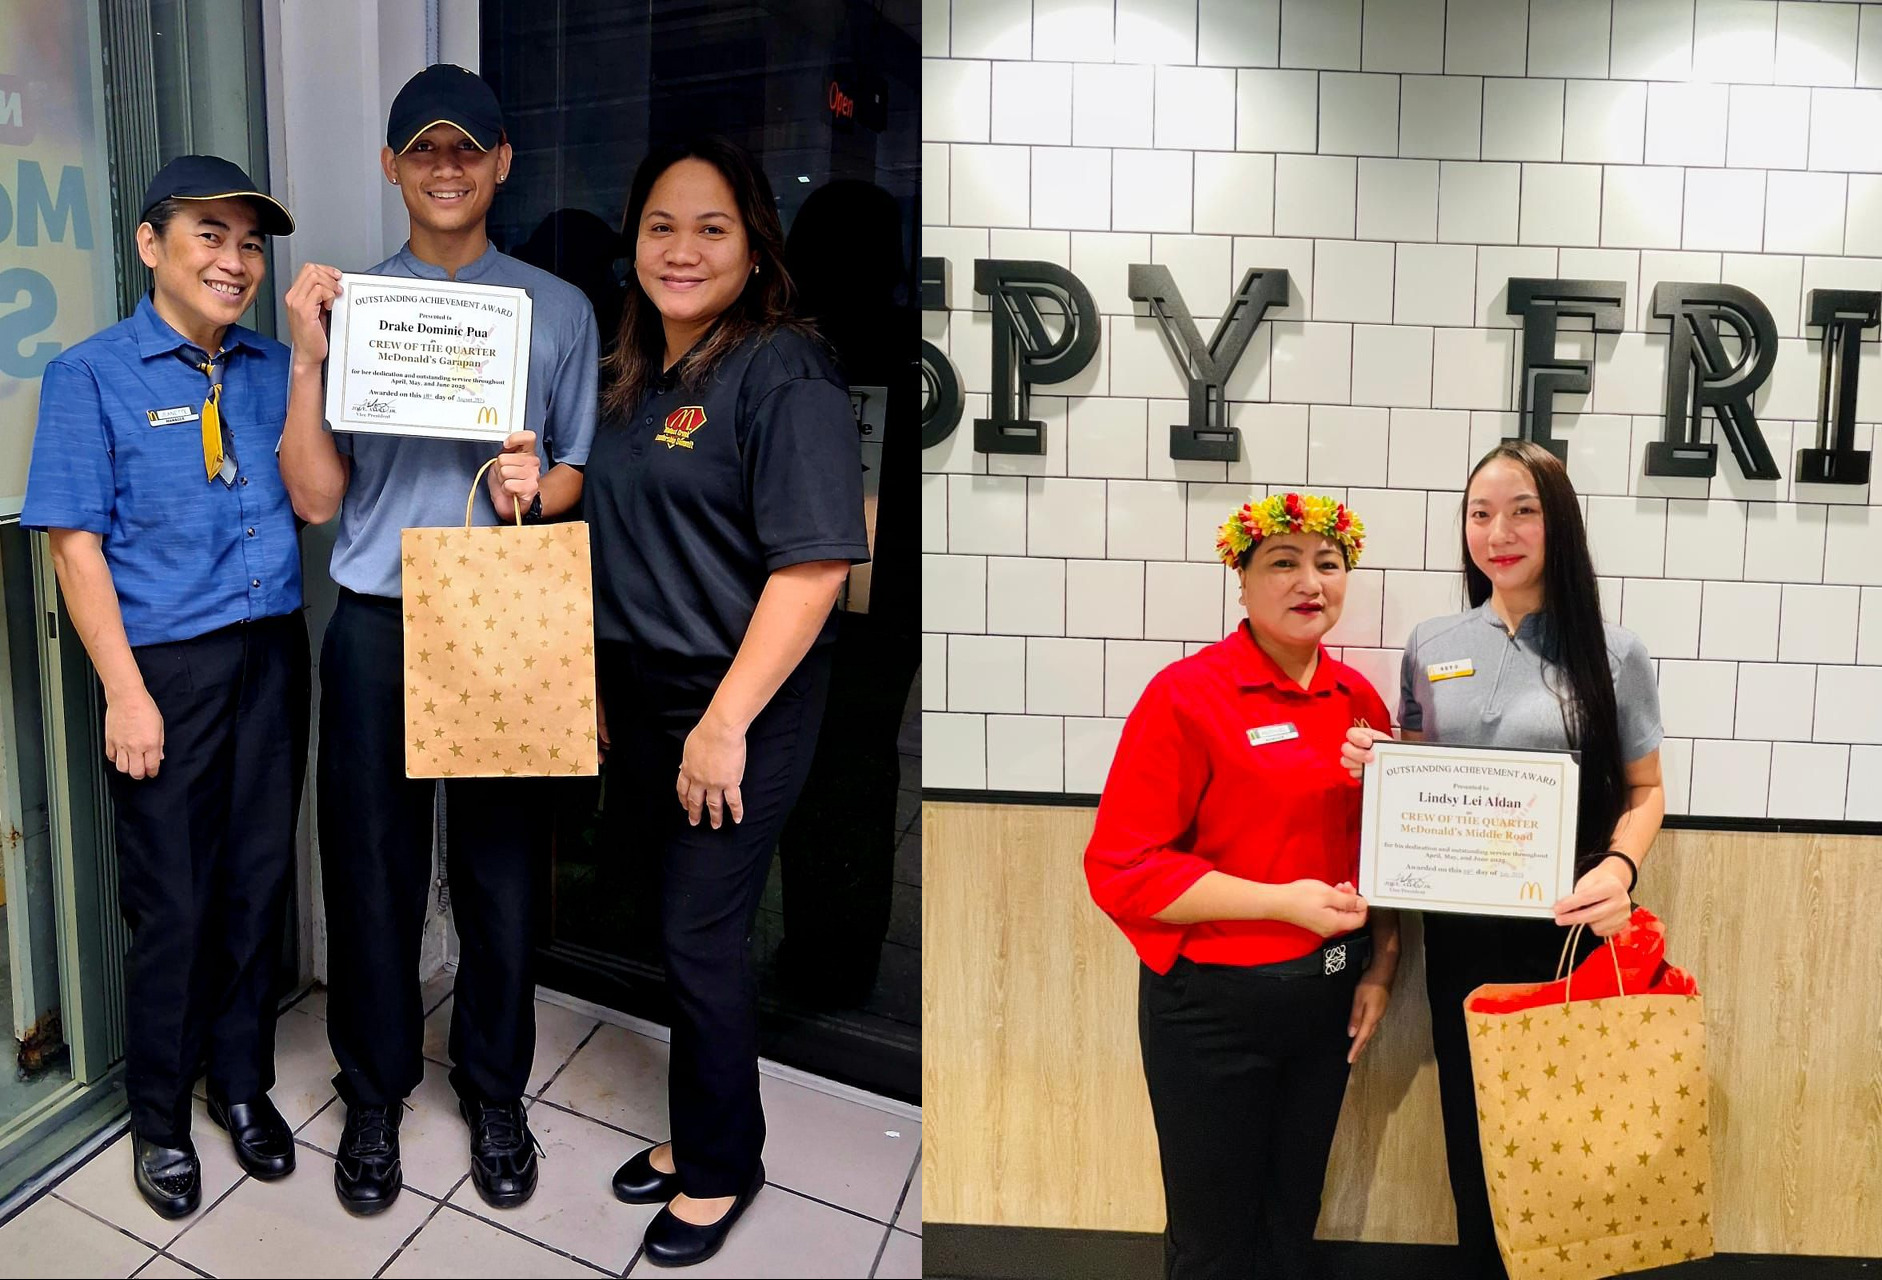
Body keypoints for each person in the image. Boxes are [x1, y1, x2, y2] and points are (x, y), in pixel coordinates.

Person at [276, 64, 599, 1215]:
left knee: (500, 873)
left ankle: (495, 1089)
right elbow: (315, 498)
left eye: (468, 148)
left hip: (499, 612)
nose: (446, 167)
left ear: (502, 162)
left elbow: (575, 468)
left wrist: (534, 484)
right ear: (392, 167)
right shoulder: (352, 307)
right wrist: (307, 356)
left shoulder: (558, 308)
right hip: (378, 617)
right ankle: (373, 1091)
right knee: (372, 874)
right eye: (424, 149)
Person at [583, 136, 868, 1266]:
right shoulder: (636, 368)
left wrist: (722, 722)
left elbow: (814, 568)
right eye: (661, 226)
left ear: (754, 248)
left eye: (712, 228)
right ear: (634, 241)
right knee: (676, 921)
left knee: (701, 930)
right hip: (649, 689)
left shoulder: (783, 369)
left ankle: (722, 1164)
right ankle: (704, 1126)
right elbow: (623, 537)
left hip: (740, 698)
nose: (683, 249)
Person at [20, 156, 306, 1216]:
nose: (234, 261)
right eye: (209, 236)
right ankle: (159, 1117)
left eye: (249, 243)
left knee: (256, 883)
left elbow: (323, 489)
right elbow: (74, 544)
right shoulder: (91, 374)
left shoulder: (277, 367)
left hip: (272, 653)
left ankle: (240, 1082)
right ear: (151, 244)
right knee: (173, 901)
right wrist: (126, 692)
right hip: (165, 669)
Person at [1342, 440, 1666, 1280]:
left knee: (1568, 1146)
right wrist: (1378, 763)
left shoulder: (1614, 652)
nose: (1500, 533)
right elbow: (1419, 779)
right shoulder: (1433, 643)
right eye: (1480, 514)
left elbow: (1646, 790)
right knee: (1473, 1135)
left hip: (1568, 935)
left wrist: (1618, 871)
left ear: (1559, 523)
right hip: (1458, 937)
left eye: (1523, 511)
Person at [1085, 493, 1400, 1280]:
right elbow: (1122, 869)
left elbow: (1391, 853)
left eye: (1328, 563)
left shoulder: (1359, 703)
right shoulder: (1187, 695)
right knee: (1214, 1237)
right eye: (1283, 562)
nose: (1310, 582)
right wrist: (1280, 902)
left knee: (1292, 1222)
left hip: (1328, 1005)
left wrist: (1383, 964)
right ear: (1243, 580)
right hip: (1213, 1011)